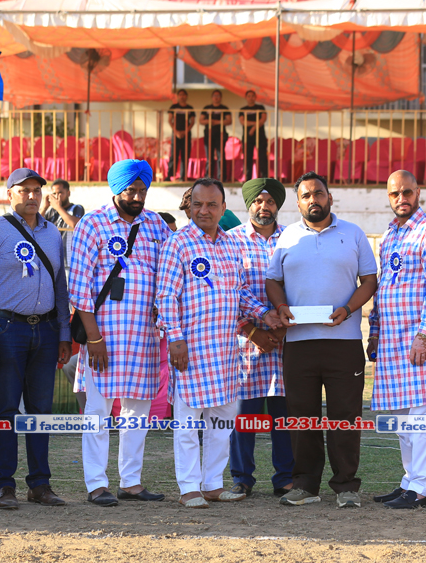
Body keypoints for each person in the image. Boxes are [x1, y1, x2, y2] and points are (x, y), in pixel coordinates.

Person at [157, 177, 279, 508]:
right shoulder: (178, 243)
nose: (204, 210)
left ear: (223, 208)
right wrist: (175, 339)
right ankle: (189, 487)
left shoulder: (230, 244)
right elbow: (166, 296)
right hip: (190, 350)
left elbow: (239, 292)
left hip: (225, 352)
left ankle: (212, 484)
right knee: (187, 423)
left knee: (222, 423)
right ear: (190, 206)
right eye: (198, 204)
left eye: (212, 204)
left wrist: (264, 314)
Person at [265, 172, 378, 508]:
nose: (312, 199)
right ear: (298, 203)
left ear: (329, 197)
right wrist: (281, 307)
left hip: (344, 341)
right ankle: (305, 485)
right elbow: (272, 281)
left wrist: (348, 309)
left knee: (345, 415)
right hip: (299, 343)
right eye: (305, 195)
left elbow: (369, 281)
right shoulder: (286, 238)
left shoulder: (353, 234)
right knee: (302, 415)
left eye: (318, 193)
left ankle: (346, 487)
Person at [69, 159, 171, 506]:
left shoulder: (156, 225)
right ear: (116, 190)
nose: (138, 197)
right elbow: (79, 288)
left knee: (137, 412)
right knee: (97, 411)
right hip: (104, 338)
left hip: (144, 337)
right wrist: (94, 338)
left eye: (142, 190)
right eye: (131, 191)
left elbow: (168, 273)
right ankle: (97, 484)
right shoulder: (92, 224)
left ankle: (131, 482)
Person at [0, 168, 72, 510]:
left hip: (46, 330)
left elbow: (60, 287)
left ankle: (40, 484)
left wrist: (64, 332)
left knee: (41, 410)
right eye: (24, 190)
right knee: (6, 408)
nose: (31, 196)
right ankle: (4, 485)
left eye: (36, 190)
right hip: (6, 329)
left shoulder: (52, 233)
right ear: (10, 194)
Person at [367, 170, 426, 510]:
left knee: (421, 416)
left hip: (417, 340)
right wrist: (374, 331)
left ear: (418, 192)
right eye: (394, 193)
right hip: (391, 340)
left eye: (407, 192)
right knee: (402, 418)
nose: (401, 198)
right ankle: (409, 480)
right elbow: (383, 286)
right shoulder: (390, 234)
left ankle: (423, 487)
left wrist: (425, 334)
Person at [227, 178, 293, 498]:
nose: (263, 206)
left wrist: (280, 326)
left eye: (269, 201)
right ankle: (242, 478)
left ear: (277, 205)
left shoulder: (294, 238)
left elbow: (300, 284)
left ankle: (286, 478)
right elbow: (231, 289)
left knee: (285, 414)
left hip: (285, 341)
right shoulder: (231, 240)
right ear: (248, 204)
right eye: (257, 201)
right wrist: (256, 327)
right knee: (244, 415)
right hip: (244, 343)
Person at [41, 178, 85, 254]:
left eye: (60, 193)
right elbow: (36, 224)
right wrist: (44, 208)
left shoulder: (77, 208)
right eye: (54, 193)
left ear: (68, 193)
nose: (57, 196)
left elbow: (75, 224)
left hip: (70, 254)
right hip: (53, 254)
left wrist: (58, 207)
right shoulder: (51, 211)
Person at [200, 90, 231, 181]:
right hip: (209, 134)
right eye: (214, 95)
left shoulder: (224, 108)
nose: (216, 97)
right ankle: (208, 178)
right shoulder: (207, 108)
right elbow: (201, 120)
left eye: (218, 95)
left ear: (220, 97)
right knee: (209, 157)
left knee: (220, 156)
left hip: (221, 135)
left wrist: (216, 122)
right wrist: (210, 121)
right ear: (212, 97)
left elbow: (229, 120)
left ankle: (222, 177)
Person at [238, 90, 268, 181]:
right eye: (249, 96)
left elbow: (263, 119)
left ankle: (265, 178)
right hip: (247, 137)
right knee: (247, 158)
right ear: (246, 98)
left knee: (262, 157)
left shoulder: (260, 107)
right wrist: (255, 124)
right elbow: (243, 122)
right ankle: (247, 179)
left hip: (260, 136)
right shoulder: (243, 109)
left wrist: (253, 128)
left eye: (252, 96)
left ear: (255, 97)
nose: (251, 98)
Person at [167, 89, 197, 181]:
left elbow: (192, 122)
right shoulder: (174, 107)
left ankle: (182, 176)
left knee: (185, 155)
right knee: (174, 155)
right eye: (180, 95)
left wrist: (185, 132)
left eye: (184, 95)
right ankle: (170, 176)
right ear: (178, 96)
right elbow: (170, 120)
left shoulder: (190, 108)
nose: (182, 96)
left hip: (186, 134)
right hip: (175, 134)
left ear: (186, 96)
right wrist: (176, 132)